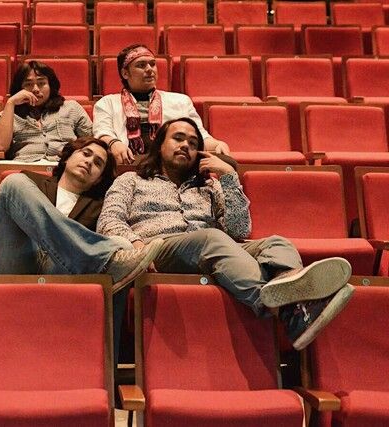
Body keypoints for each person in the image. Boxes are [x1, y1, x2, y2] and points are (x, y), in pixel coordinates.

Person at [96, 117, 354, 351]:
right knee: (211, 237)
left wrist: (230, 177)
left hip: (213, 249)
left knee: (276, 243)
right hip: (158, 250)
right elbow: (108, 220)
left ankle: (288, 289)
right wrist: (135, 244)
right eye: (178, 138)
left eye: (193, 142)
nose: (186, 145)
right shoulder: (131, 180)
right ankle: (279, 306)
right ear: (160, 145)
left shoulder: (209, 186)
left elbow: (239, 229)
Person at [0, 136, 164, 363]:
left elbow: (115, 228)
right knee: (12, 184)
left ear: (99, 178)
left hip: (60, 271)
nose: (90, 162)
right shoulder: (30, 182)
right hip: (18, 262)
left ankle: (105, 370)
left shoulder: (100, 205)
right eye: (85, 153)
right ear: (68, 156)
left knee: (121, 246)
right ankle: (98, 258)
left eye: (99, 163)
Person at [0, 60, 93, 235]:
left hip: (61, 165)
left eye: (41, 83)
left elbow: (91, 140)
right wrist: (11, 103)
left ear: (51, 85)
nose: (35, 89)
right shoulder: (8, 113)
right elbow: (0, 145)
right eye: (28, 85)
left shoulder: (71, 108)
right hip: (24, 165)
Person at [93, 44, 230, 165]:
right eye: (141, 65)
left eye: (152, 64)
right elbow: (102, 133)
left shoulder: (180, 101)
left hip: (169, 167)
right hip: (127, 164)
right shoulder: (107, 103)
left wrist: (217, 144)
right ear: (125, 73)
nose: (149, 69)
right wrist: (114, 143)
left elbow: (199, 136)